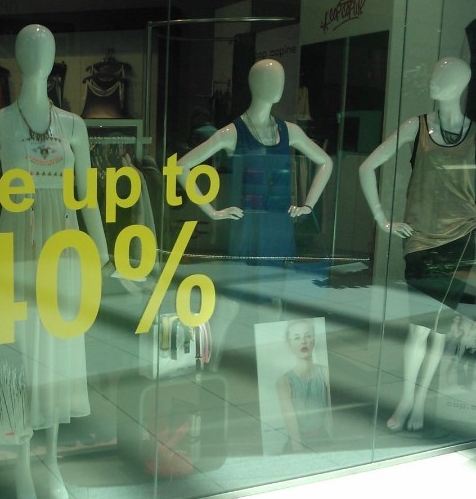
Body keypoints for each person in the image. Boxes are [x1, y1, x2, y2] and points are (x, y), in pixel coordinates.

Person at [0, 24, 112, 499]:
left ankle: (50, 459)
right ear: (17, 56)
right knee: (21, 355)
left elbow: (86, 196)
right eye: (30, 48)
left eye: (46, 49)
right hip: (16, 248)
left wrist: (103, 252)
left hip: (64, 250)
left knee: (56, 356)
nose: (38, 55)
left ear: (55, 60)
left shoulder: (74, 126)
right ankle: (20, 460)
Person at [359, 56, 475, 432]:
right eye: (435, 73)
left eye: (444, 76)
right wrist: (382, 219)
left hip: (463, 241)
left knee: (439, 329)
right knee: (418, 327)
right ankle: (407, 400)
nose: (434, 80)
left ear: (461, 84)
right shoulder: (417, 126)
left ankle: (420, 403)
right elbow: (367, 166)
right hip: (421, 241)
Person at [176, 59, 333, 263]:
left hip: (280, 226)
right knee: (247, 280)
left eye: (280, 79)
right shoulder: (232, 133)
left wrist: (308, 206)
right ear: (255, 84)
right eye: (271, 79)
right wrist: (212, 212)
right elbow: (181, 166)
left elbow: (326, 162)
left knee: (279, 280)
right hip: (247, 229)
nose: (278, 84)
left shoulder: (289, 131)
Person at [276, 319, 331, 453]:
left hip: (323, 440)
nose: (303, 341)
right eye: (297, 337)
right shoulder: (284, 381)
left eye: (307, 336)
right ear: (289, 344)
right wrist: (299, 451)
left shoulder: (325, 373)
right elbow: (292, 426)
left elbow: (335, 413)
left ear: (314, 339)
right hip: (298, 444)